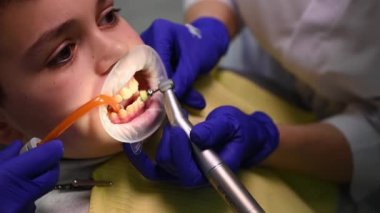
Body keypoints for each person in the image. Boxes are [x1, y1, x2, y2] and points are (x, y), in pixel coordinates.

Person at [125, 0, 380, 211]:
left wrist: (265, 140)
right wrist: (209, 27)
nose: (114, 49)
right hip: (257, 65)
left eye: (107, 18)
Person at [0, 0, 175, 211]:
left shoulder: (198, 86)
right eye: (64, 54)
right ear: (4, 126)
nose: (118, 50)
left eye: (108, 17)